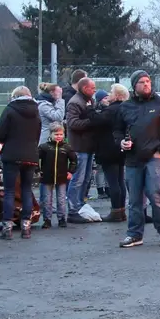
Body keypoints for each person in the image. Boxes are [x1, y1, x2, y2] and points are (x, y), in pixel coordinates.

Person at [114, 71, 160, 248]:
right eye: (142, 82)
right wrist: (121, 142)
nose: (146, 84)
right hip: (133, 159)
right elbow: (117, 130)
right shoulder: (125, 107)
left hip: (154, 157)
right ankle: (134, 234)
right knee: (134, 199)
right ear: (134, 86)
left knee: (155, 194)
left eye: (148, 81)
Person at [0, 85, 42, 240]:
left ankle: (7, 228)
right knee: (27, 190)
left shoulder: (10, 109)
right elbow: (38, 133)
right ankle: (26, 227)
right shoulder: (36, 111)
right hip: (31, 155)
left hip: (12, 155)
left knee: (10, 191)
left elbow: (0, 133)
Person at [90, 85, 130, 222]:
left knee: (113, 181)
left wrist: (90, 109)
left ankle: (115, 211)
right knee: (120, 180)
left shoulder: (112, 110)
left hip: (108, 148)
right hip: (120, 148)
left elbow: (97, 120)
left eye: (111, 92)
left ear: (118, 95)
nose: (109, 94)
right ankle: (122, 210)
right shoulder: (125, 108)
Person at [64, 76, 99, 216]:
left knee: (86, 177)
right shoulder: (75, 102)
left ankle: (80, 202)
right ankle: (73, 206)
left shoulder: (89, 100)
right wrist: (91, 121)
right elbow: (72, 123)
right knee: (78, 178)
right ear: (85, 88)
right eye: (93, 88)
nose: (95, 90)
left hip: (88, 145)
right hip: (79, 146)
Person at [37, 122, 76, 228]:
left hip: (62, 177)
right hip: (46, 177)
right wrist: (38, 171)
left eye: (61, 134)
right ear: (50, 134)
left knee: (61, 199)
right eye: (56, 134)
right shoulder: (44, 147)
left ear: (64, 134)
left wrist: (70, 172)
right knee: (47, 199)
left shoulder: (67, 147)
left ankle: (62, 218)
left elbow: (74, 160)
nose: (59, 136)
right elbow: (36, 159)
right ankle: (47, 219)